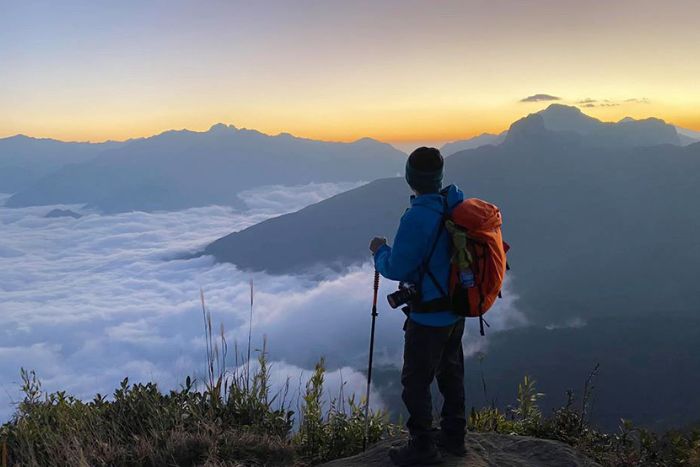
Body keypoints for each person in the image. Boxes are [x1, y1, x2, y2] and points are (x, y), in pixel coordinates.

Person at [369, 147, 467, 465]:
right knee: (450, 372)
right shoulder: (455, 205)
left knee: (415, 381)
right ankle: (454, 435)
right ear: (439, 177)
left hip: (428, 316)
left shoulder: (418, 217)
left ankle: (423, 446)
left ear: (410, 177)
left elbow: (397, 267)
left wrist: (379, 250)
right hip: (457, 307)